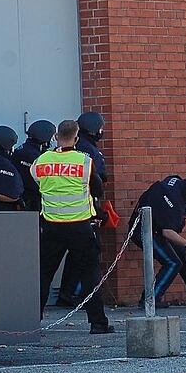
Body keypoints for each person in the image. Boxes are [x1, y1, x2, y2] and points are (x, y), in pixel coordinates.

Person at [32, 120, 114, 334]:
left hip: (51, 226)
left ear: (56, 137)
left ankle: (32, 321)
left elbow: (35, 183)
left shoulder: (42, 161)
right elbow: (97, 188)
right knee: (89, 274)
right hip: (80, 226)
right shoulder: (84, 162)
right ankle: (98, 323)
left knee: (43, 274)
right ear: (76, 139)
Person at [129, 173, 186, 307]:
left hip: (156, 228)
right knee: (172, 263)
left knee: (182, 253)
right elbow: (168, 232)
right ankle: (150, 299)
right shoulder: (175, 204)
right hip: (143, 231)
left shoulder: (178, 183)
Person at [58, 111, 109, 307]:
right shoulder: (90, 153)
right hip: (83, 212)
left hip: (56, 214)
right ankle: (80, 296)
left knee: (56, 257)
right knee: (89, 255)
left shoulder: (62, 151)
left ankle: (66, 293)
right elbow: (99, 179)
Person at [13, 120, 57, 212]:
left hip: (21, 200)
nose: (51, 142)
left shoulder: (20, 150)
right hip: (32, 202)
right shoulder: (36, 157)